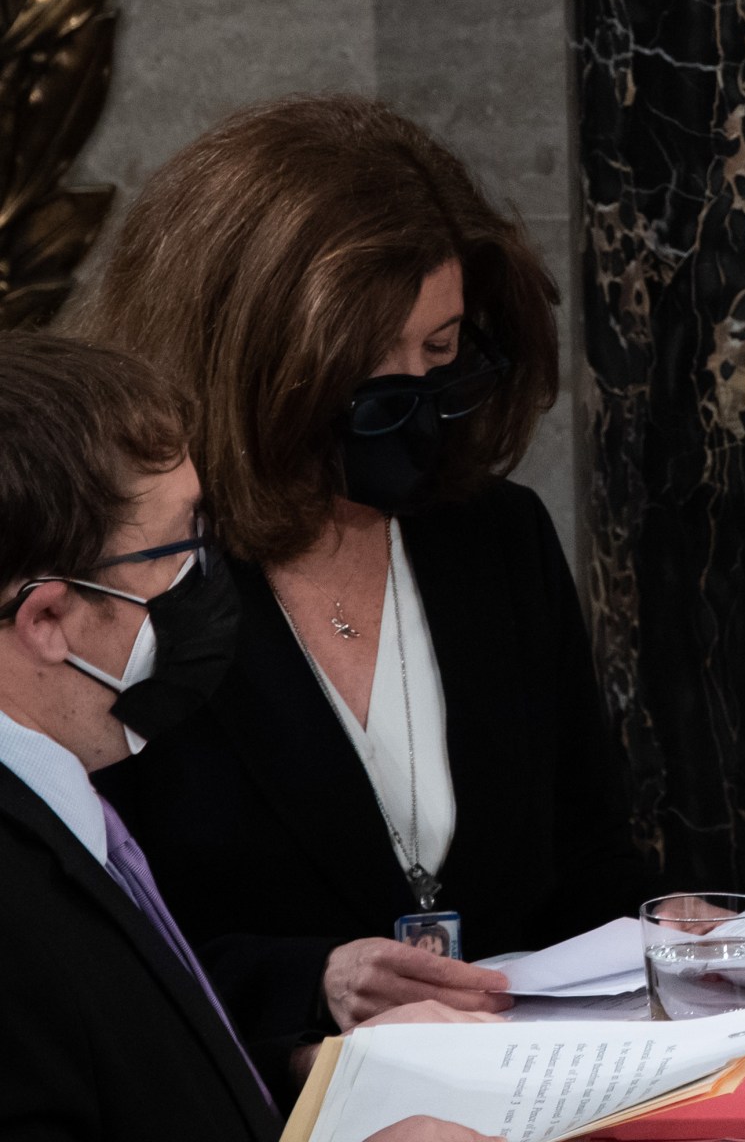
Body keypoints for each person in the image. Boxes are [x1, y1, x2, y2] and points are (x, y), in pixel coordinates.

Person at [70, 94, 658, 1096]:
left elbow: (586, 869)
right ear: (253, 362)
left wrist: (659, 940)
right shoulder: (117, 581)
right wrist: (313, 982)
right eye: (363, 372)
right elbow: (82, 954)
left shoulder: (495, 540)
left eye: (438, 354)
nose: (412, 405)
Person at [0, 333, 498, 1142]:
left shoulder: (64, 803)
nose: (210, 572)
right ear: (49, 617)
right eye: (179, 545)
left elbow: (141, 1080)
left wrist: (325, 1072)